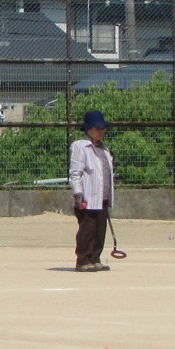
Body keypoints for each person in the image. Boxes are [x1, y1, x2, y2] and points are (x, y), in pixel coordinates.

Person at [70, 110, 116, 272]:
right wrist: (78, 193)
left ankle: (95, 257)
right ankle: (83, 259)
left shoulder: (104, 149)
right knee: (87, 229)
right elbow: (76, 172)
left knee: (99, 228)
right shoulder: (80, 146)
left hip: (102, 195)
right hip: (88, 196)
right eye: (97, 128)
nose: (100, 131)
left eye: (102, 128)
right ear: (88, 129)